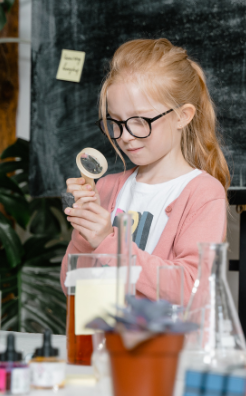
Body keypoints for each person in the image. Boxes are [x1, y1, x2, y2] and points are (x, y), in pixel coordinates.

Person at [59, 38, 229, 306]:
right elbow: (73, 287)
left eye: (140, 121)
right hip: (105, 343)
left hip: (165, 346)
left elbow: (192, 289)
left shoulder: (203, 194)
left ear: (182, 116)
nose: (125, 136)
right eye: (115, 122)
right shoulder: (105, 188)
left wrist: (107, 241)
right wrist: (84, 232)